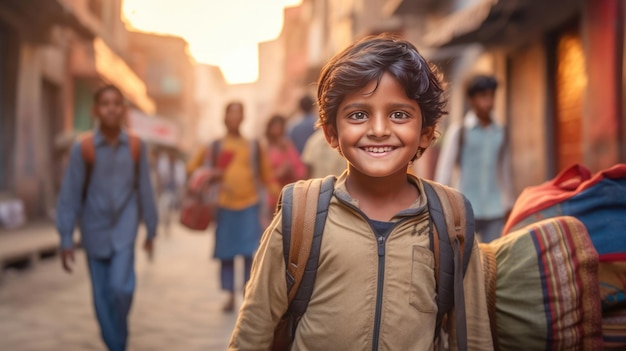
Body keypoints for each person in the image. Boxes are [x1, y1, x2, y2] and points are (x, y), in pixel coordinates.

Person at [229, 34, 493, 350]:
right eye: (358, 115)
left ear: (425, 132)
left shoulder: (452, 221)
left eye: (399, 114)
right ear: (331, 133)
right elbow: (252, 332)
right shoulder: (301, 215)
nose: (379, 129)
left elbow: (475, 335)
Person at [56, 84, 158, 351]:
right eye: (105, 103)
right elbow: (70, 195)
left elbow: (145, 189)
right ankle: (116, 344)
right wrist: (66, 237)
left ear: (124, 110)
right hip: (94, 229)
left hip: (125, 228)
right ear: (95, 110)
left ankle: (117, 342)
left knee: (122, 289)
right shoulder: (84, 148)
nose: (111, 108)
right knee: (101, 296)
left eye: (116, 103)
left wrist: (152, 229)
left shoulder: (136, 146)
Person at [186, 102, 279, 312]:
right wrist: (210, 174)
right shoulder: (214, 146)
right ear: (225, 118)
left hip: (249, 205)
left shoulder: (254, 146)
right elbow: (191, 169)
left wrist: (281, 196)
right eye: (231, 114)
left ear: (243, 118)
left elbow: (267, 177)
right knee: (226, 254)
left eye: (239, 114)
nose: (235, 118)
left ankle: (247, 294)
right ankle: (229, 295)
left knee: (249, 253)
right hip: (224, 206)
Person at [434, 74, 514, 243]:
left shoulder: (500, 132)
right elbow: (445, 170)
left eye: (492, 96)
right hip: (465, 208)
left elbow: (504, 170)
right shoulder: (460, 131)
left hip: (495, 209)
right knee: (465, 258)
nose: (489, 101)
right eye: (483, 96)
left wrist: (508, 203)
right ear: (471, 99)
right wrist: (441, 204)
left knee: (493, 256)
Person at [263, 114, 306, 217]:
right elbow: (263, 176)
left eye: (280, 128)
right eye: (275, 128)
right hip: (274, 199)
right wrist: (278, 173)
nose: (278, 131)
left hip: (291, 197)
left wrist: (291, 171)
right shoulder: (265, 149)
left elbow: (300, 171)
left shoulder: (288, 146)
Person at [155, 149, 186, 235]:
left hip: (174, 191)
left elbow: (181, 181)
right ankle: (164, 223)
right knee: (163, 209)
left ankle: (168, 225)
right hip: (165, 189)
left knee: (170, 210)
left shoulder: (179, 166)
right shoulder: (164, 164)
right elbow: (160, 176)